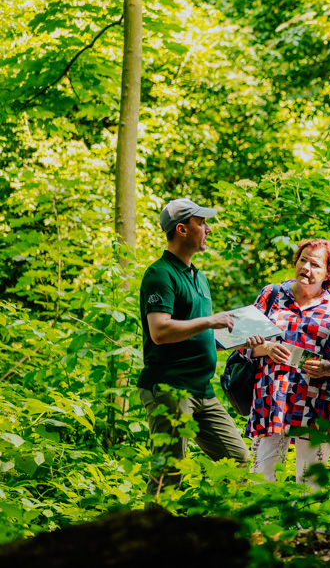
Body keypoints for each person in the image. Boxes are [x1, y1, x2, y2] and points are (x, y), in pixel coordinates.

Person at [138, 198, 251, 502]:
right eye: (201, 223)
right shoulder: (160, 274)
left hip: (202, 390)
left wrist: (241, 338)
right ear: (182, 229)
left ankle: (220, 530)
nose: (208, 229)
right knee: (169, 472)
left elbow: (198, 333)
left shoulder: (198, 277)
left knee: (237, 460)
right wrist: (211, 321)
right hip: (171, 388)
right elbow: (160, 331)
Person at [243, 239, 330, 489]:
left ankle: (310, 528)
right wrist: (267, 348)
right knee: (263, 478)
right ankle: (264, 527)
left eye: (315, 264)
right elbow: (241, 341)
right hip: (271, 399)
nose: (306, 268)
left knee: (312, 483)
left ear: (328, 273)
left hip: (318, 401)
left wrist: (328, 367)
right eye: (303, 260)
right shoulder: (271, 295)